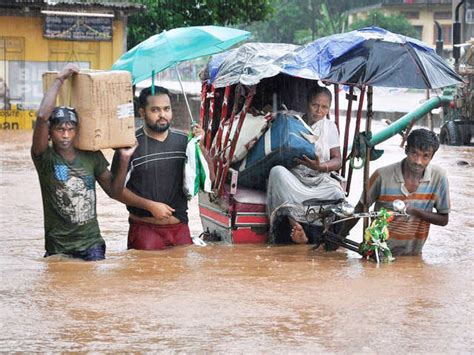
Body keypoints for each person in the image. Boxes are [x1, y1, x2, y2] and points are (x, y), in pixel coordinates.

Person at [31, 64, 116, 261]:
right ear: (50, 132)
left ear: (77, 131)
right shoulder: (44, 158)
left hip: (91, 245)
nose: (66, 135)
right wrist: (60, 79)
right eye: (60, 129)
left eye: (71, 129)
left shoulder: (91, 156)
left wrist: (124, 155)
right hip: (58, 246)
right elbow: (43, 116)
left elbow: (113, 189)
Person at [111, 86, 212, 250]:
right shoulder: (129, 146)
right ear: (142, 113)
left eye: (166, 109)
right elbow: (115, 191)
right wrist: (150, 206)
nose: (162, 115)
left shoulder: (185, 141)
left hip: (181, 228)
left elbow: (209, 180)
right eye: (155, 110)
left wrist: (201, 147)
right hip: (145, 230)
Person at [340, 129, 450, 256]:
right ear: (406, 150)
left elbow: (444, 219)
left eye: (425, 156)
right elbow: (360, 209)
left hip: (413, 255)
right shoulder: (382, 175)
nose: (418, 161)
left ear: (432, 157)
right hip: (378, 254)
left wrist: (414, 211)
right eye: (414, 153)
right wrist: (340, 236)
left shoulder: (439, 177)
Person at [267, 85, 345, 245]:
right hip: (295, 180)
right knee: (277, 173)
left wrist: (320, 167)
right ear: (307, 103)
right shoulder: (293, 120)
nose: (319, 111)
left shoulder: (330, 127)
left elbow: (338, 160)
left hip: (319, 182)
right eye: (315, 105)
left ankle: (324, 235)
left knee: (337, 193)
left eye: (324, 107)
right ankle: (295, 226)